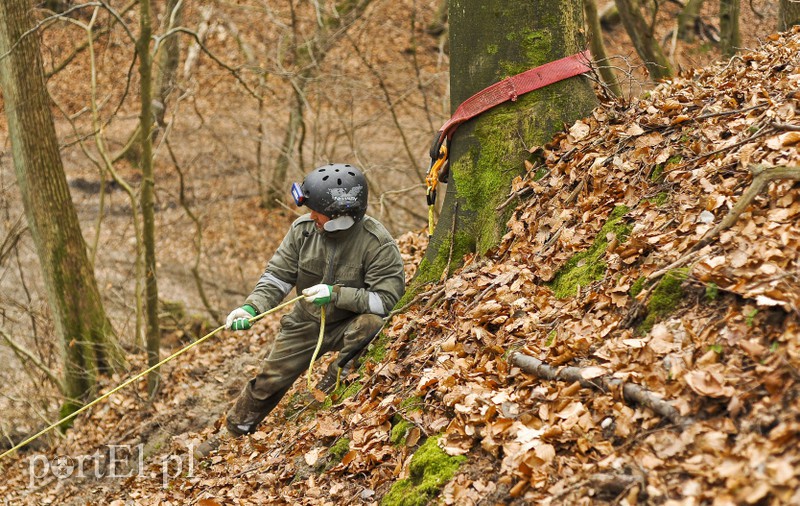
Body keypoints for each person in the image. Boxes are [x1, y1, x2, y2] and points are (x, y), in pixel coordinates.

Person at [221, 163, 405, 438]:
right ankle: (235, 430)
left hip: (349, 322)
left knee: (370, 324)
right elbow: (277, 277)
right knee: (268, 380)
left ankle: (332, 384)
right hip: (305, 320)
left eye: (317, 211)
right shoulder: (303, 231)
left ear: (341, 215)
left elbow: (387, 301)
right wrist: (251, 308)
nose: (311, 216)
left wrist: (336, 294)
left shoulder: (377, 243)